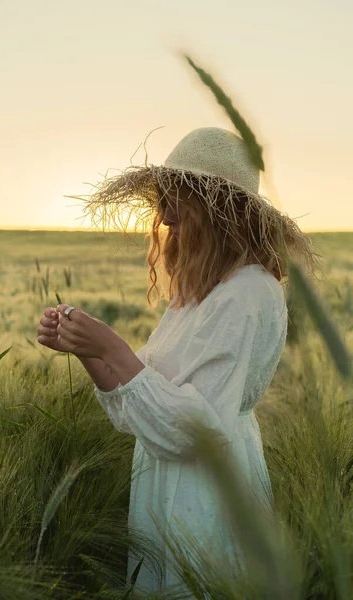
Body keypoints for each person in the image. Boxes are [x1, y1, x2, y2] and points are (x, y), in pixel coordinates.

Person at [37, 127, 316, 595]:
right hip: (165, 479)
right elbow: (143, 406)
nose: (164, 217)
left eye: (175, 200)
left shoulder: (247, 292)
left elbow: (196, 429)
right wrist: (86, 349)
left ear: (217, 208)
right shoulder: (197, 291)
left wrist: (111, 348)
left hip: (208, 493)